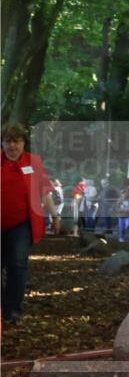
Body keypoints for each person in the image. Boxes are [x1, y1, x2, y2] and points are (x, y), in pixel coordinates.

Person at [2, 124, 60, 325]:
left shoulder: (33, 162)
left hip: (22, 224)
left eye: (16, 141)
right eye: (8, 141)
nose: (12, 145)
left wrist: (55, 216)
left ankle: (13, 310)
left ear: (23, 143)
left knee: (17, 265)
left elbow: (45, 192)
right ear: (2, 143)